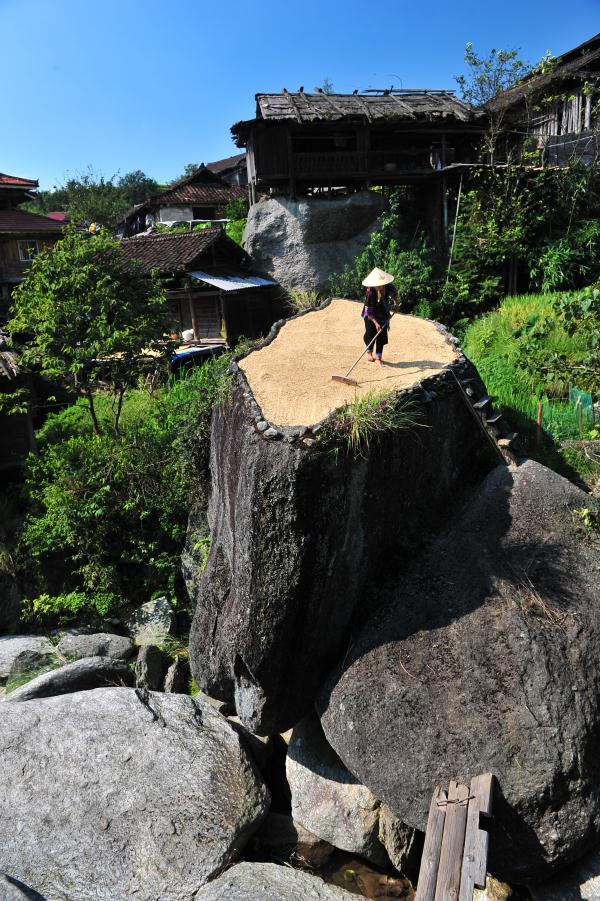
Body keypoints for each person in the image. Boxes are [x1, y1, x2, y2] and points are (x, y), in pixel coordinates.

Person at [361, 268, 398, 367]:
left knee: (381, 336)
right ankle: (369, 352)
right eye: (377, 285)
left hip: (383, 313)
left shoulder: (387, 286)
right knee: (371, 334)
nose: (379, 286)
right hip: (370, 315)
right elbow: (368, 313)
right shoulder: (370, 292)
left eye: (381, 284)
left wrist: (395, 303)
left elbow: (393, 293)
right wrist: (376, 323)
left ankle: (378, 358)